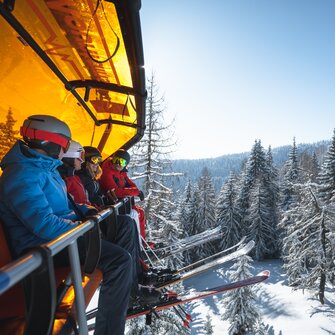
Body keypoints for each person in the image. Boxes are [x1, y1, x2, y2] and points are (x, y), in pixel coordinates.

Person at [0, 115, 158, 335]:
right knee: (119, 260)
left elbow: (68, 205)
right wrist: (85, 229)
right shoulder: (21, 175)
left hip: (65, 236)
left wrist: (86, 212)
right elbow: (44, 225)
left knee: (123, 225)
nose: (65, 151)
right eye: (65, 144)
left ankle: (130, 286)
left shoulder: (45, 170)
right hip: (44, 248)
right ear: (50, 142)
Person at [99, 149, 147, 242]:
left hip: (122, 204)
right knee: (134, 214)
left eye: (122, 162)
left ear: (126, 164)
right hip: (113, 204)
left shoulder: (122, 173)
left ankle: (143, 243)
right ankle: (138, 244)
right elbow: (115, 192)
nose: (118, 164)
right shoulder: (107, 171)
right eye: (116, 160)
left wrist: (135, 191)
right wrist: (135, 192)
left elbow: (132, 186)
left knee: (140, 212)